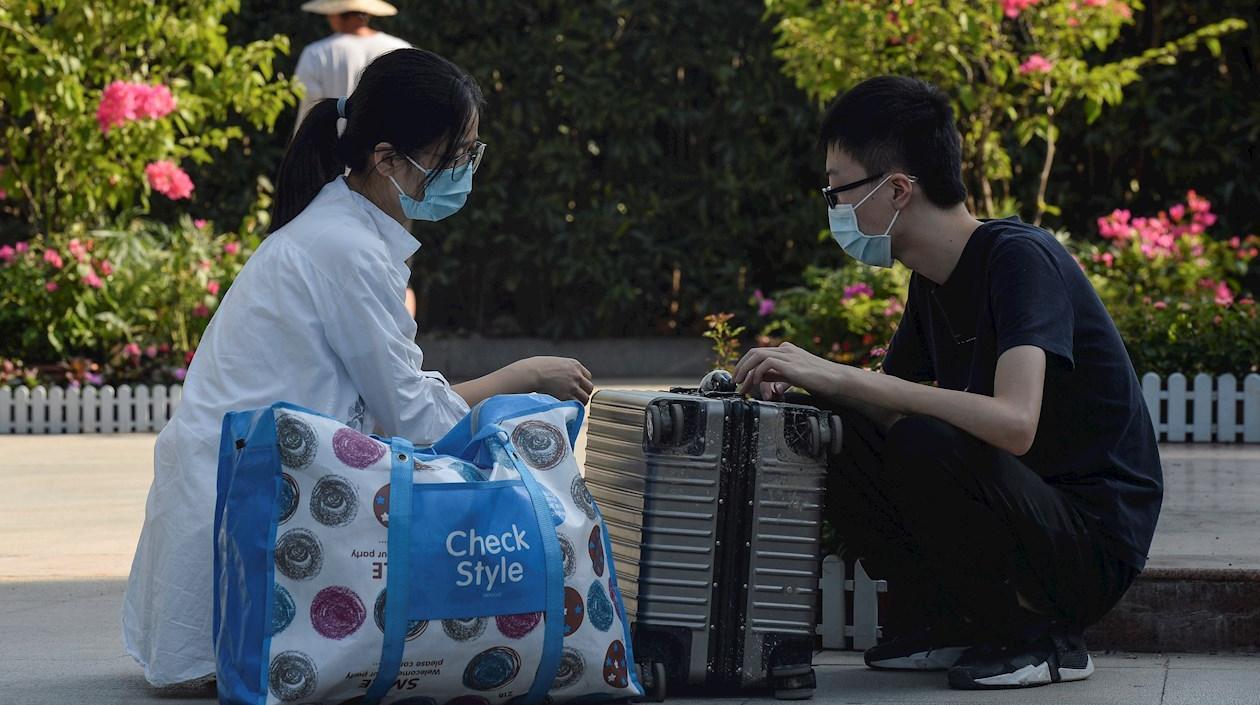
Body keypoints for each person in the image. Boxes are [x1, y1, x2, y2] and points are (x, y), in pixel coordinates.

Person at [122, 48, 594, 687]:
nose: (464, 171)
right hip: (247, 526)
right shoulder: (346, 248)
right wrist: (526, 376)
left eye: (471, 154)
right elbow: (416, 418)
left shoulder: (340, 227)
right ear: (388, 160)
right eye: (454, 155)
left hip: (240, 506)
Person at [733, 76, 1162, 691]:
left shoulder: (1019, 259)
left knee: (924, 440)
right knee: (834, 431)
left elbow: (1015, 423)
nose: (832, 208)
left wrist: (842, 374)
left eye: (837, 190)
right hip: (1023, 509)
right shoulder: (930, 282)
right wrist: (808, 388)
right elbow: (881, 414)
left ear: (897, 189)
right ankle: (952, 621)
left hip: (1089, 542)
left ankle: (1045, 639)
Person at [293, 0, 410, 131]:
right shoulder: (401, 49)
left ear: (336, 14)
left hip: (335, 141)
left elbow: (309, 110)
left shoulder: (317, 53)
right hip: (389, 141)